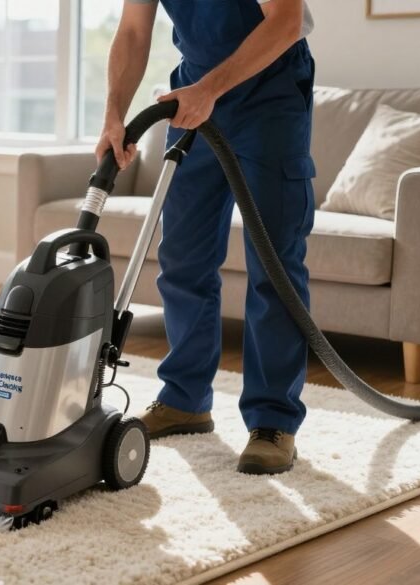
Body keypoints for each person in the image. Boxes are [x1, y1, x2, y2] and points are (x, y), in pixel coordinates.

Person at [95, 0, 316, 475]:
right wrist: (114, 113)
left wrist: (210, 89)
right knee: (182, 256)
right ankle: (185, 398)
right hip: (194, 93)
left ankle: (273, 420)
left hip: (269, 91)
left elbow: (286, 21)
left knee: (273, 262)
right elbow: (134, 30)